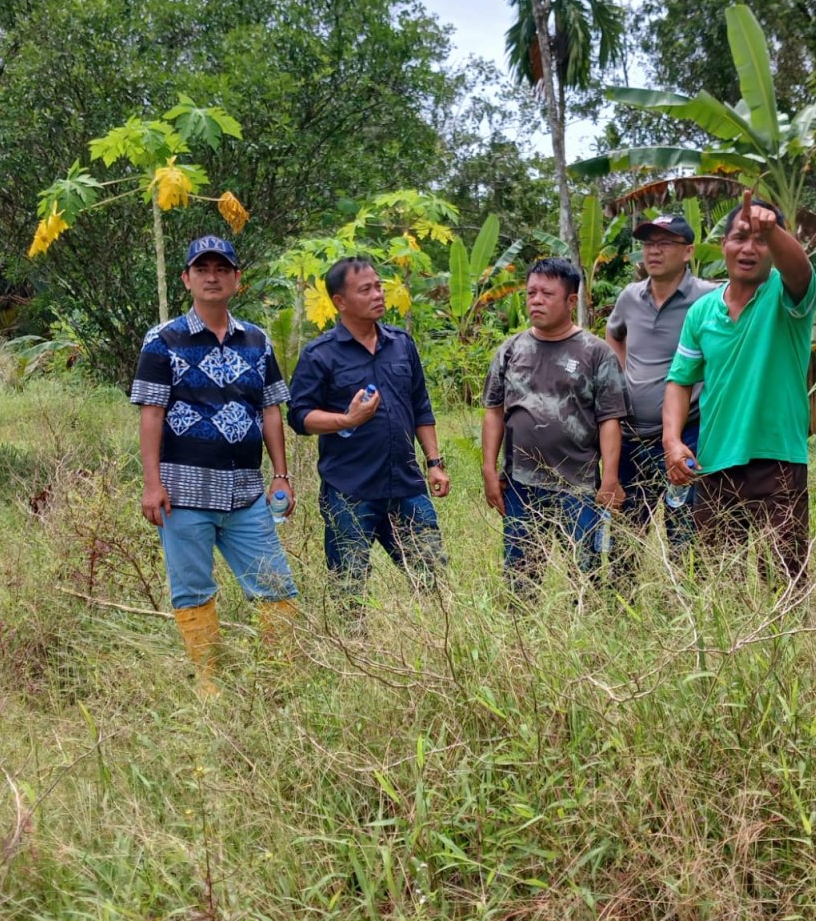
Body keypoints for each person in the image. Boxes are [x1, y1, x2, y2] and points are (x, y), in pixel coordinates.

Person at [131, 235, 297, 693]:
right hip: (183, 493)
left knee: (277, 588)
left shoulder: (257, 340)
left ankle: (278, 682)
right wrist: (151, 484)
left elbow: (270, 409)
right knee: (193, 590)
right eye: (202, 269)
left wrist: (281, 475)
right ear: (186, 279)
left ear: (236, 279)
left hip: (246, 492)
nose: (212, 277)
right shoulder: (163, 340)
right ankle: (211, 688)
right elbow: (151, 413)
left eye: (222, 269)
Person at [663, 192, 816, 584]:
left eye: (761, 240)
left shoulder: (787, 296)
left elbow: (800, 270)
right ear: (723, 245)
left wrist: (773, 230)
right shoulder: (701, 312)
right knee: (716, 584)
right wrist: (672, 440)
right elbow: (680, 380)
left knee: (783, 582)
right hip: (715, 465)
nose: (749, 249)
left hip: (778, 462)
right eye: (740, 238)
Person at [288, 257, 449, 597]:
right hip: (349, 490)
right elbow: (299, 417)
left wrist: (434, 463)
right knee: (349, 588)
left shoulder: (401, 344)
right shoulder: (320, 355)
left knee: (434, 583)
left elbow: (420, 406)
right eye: (366, 290)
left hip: (406, 485)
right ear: (340, 302)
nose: (378, 294)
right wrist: (347, 420)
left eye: (378, 286)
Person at [482, 257, 627, 586]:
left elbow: (610, 419)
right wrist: (489, 469)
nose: (536, 300)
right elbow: (494, 411)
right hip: (520, 484)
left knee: (585, 575)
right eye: (531, 293)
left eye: (547, 294)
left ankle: (586, 616)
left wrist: (610, 478)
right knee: (521, 576)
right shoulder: (511, 350)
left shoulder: (596, 353)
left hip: (578, 485)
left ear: (571, 301)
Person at [605, 213, 716, 555]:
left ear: (688, 252)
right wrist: (622, 377)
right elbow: (614, 333)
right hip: (631, 435)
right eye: (648, 243)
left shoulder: (709, 297)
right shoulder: (630, 296)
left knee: (684, 534)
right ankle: (624, 589)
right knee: (625, 536)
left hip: (688, 435)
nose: (653, 251)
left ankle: (684, 588)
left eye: (665, 243)